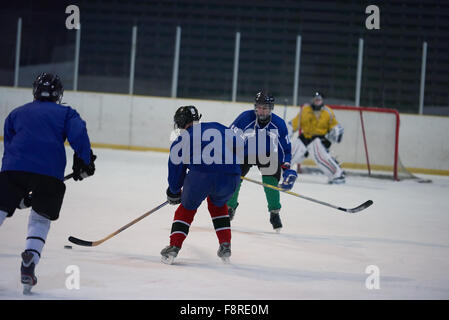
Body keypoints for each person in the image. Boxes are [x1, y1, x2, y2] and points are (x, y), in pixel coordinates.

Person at [0, 72, 96, 294]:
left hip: (13, 169)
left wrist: (12, 186)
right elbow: (79, 135)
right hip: (49, 174)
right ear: (58, 94)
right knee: (41, 219)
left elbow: (10, 146)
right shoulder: (66, 113)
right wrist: (85, 163)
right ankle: (30, 259)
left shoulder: (16, 113)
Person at [161, 105, 243, 264]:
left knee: (186, 209)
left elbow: (176, 169)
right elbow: (241, 146)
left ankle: (174, 247)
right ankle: (225, 245)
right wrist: (232, 169)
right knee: (218, 205)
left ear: (180, 123)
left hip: (201, 176)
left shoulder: (182, 139)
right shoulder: (218, 127)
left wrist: (174, 191)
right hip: (231, 176)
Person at [226, 91, 297, 233]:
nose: (261, 111)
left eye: (265, 108)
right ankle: (230, 207)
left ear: (271, 108)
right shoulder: (245, 118)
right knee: (233, 177)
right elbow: (228, 136)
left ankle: (274, 212)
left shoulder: (279, 124)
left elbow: (286, 150)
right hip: (244, 153)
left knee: (270, 181)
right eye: (258, 107)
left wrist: (287, 168)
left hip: (267, 154)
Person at [288, 92, 345, 184]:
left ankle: (338, 174)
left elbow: (335, 126)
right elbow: (295, 123)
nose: (317, 101)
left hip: (319, 139)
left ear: (322, 100)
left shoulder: (328, 112)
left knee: (321, 157)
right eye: (316, 99)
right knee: (292, 152)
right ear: (313, 100)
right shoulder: (305, 110)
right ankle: (280, 171)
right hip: (304, 138)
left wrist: (336, 131)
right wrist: (288, 130)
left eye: (319, 99)